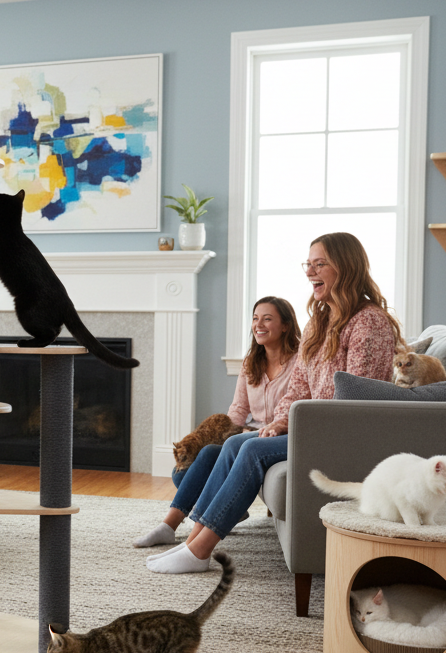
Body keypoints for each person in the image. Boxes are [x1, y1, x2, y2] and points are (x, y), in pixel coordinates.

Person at [145, 232, 402, 574]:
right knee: (237, 442)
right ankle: (193, 542)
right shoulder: (318, 323)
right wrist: (279, 422)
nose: (310, 272)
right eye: (307, 264)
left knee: (251, 451)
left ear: (347, 267)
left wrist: (297, 425)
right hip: (311, 427)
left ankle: (201, 550)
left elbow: (355, 399)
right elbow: (298, 387)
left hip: (342, 434)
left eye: (320, 264)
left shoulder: (368, 321)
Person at [133, 296, 301, 548]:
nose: (259, 324)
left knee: (207, 461)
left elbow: (296, 406)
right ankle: (171, 525)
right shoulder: (250, 363)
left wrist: (260, 430)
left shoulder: (300, 361)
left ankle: (171, 526)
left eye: (267, 319)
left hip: (277, 435)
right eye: (255, 318)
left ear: (286, 325)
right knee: (185, 472)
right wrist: (228, 433)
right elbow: (238, 409)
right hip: (247, 433)